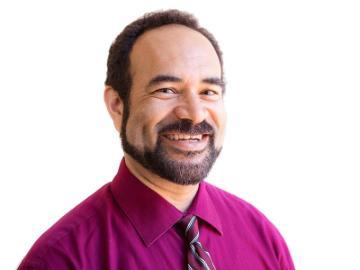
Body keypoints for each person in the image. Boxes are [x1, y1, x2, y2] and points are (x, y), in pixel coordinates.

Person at [18, 9, 295, 270]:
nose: (195, 114)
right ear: (117, 105)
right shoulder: (61, 259)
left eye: (208, 91)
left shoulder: (262, 237)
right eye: (166, 90)